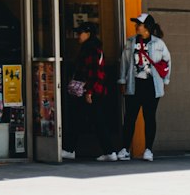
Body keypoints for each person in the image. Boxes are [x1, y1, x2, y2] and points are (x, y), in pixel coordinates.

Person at [117, 12, 171, 161]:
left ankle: (148, 150)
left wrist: (165, 81)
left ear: (147, 27)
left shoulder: (158, 43)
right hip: (134, 84)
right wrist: (122, 80)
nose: (136, 27)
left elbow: (167, 62)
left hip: (151, 85)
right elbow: (124, 62)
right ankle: (125, 149)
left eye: (139, 24)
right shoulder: (130, 42)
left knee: (149, 117)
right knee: (129, 118)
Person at [61, 22, 117, 161]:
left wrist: (89, 92)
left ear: (88, 33)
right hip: (89, 91)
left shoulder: (91, 50)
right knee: (80, 119)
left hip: (90, 92)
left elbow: (95, 73)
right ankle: (71, 149)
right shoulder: (91, 48)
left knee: (94, 121)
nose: (77, 36)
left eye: (80, 33)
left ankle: (109, 152)